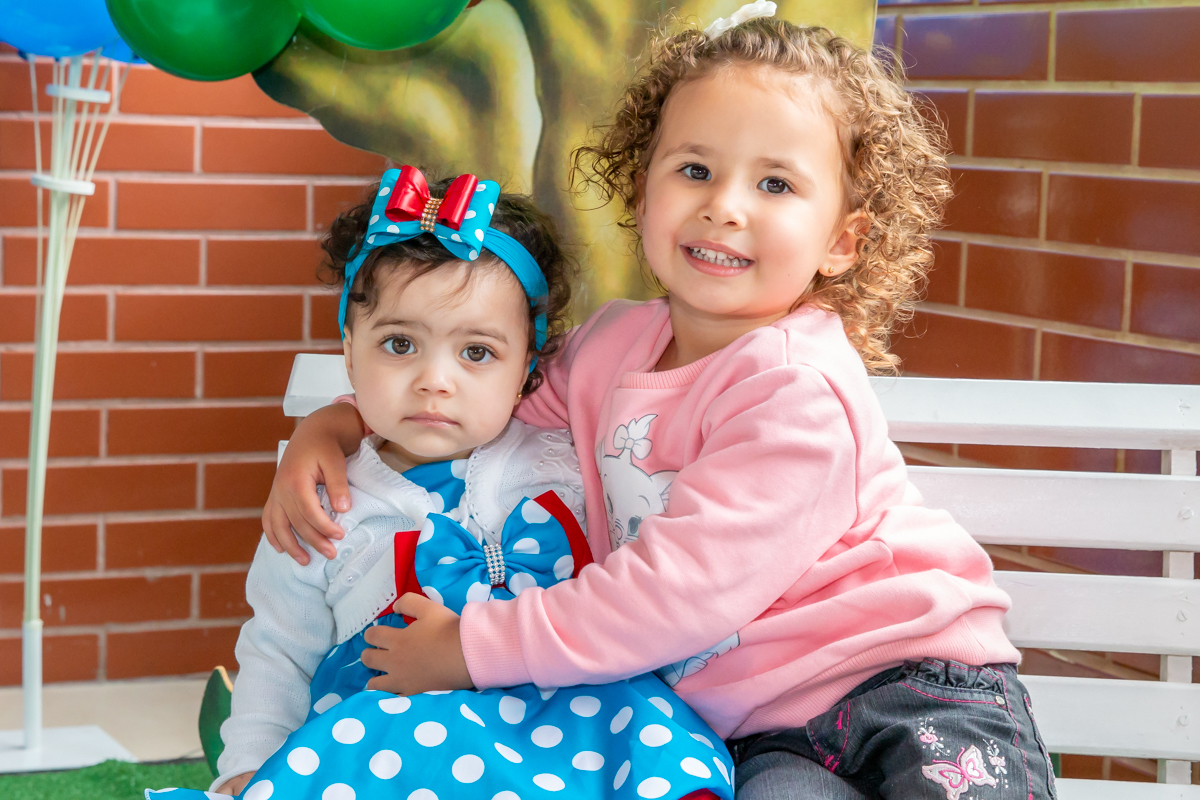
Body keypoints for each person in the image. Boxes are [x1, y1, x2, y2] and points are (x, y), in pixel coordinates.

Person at [264, 6, 1057, 799]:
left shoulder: (795, 389)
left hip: (903, 685)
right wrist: (332, 427)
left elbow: (674, 594)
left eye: (775, 183)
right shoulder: (610, 347)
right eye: (694, 170)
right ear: (641, 190)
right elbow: (482, 396)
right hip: (759, 732)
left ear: (843, 240)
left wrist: (473, 647)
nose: (725, 206)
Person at [147, 167, 733, 800]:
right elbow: (279, 651)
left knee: (659, 752)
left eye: (476, 353)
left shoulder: (568, 453)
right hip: (395, 740)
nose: (434, 380)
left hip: (587, 715)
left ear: (527, 368)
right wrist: (250, 764)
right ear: (349, 350)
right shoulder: (324, 506)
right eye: (399, 344)